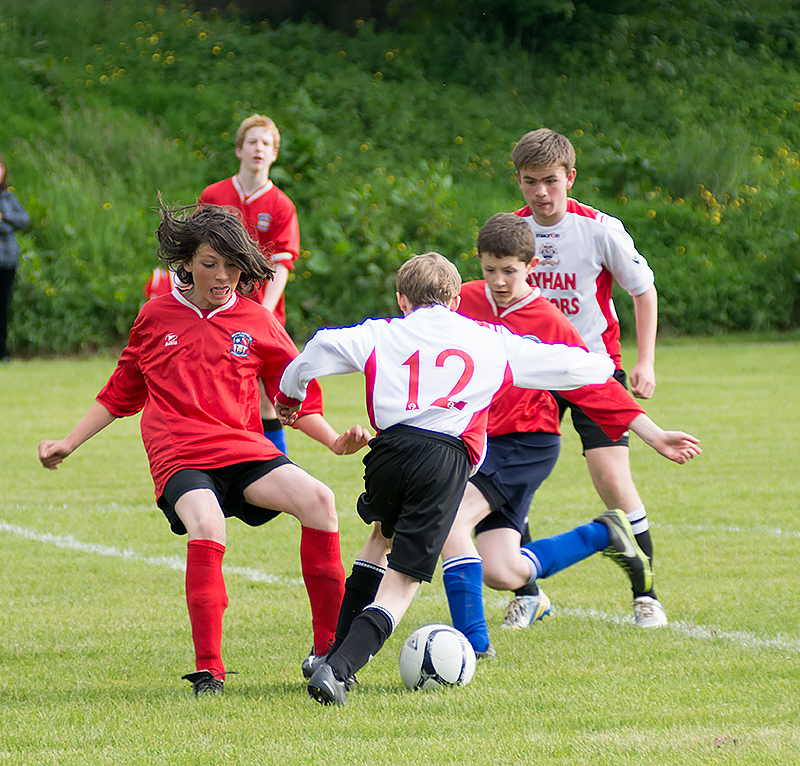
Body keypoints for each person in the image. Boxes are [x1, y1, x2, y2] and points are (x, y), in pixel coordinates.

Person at [38, 200, 369, 697]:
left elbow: (291, 398)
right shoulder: (155, 316)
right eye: (210, 263)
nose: (222, 275)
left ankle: (328, 653)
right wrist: (68, 442)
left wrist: (334, 442)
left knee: (320, 499)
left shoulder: (257, 320)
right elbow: (120, 393)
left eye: (233, 265)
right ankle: (209, 671)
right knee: (208, 523)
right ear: (187, 261)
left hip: (243, 448)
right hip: (181, 454)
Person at [275, 251, 622, 706]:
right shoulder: (491, 339)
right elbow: (568, 366)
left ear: (402, 299)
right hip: (445, 458)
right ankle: (338, 672)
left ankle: (329, 655)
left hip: (388, 453)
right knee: (403, 580)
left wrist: (289, 396)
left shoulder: (381, 332)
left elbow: (319, 345)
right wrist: (605, 367)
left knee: (380, 538)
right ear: (457, 300)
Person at [441, 213, 701, 656]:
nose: (499, 281)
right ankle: (605, 535)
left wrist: (652, 433)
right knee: (501, 570)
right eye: (490, 270)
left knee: (448, 520)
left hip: (525, 442)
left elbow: (594, 384)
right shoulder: (463, 301)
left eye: (510, 270)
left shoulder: (550, 322)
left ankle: (473, 646)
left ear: (530, 266)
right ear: (479, 264)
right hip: (478, 442)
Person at [512, 128, 668, 627]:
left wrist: (644, 362)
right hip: (529, 373)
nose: (541, 192)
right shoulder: (511, 232)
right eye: (530, 182)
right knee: (508, 481)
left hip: (594, 367)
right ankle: (527, 592)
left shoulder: (601, 229)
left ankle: (647, 594)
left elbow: (643, 290)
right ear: (518, 181)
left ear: (570, 178)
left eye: (550, 181)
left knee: (612, 479)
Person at [199, 114, 299, 453]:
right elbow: (196, 254)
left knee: (265, 397)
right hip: (216, 309)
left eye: (266, 144)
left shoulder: (282, 205)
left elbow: (281, 263)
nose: (259, 148)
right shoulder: (214, 195)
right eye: (253, 141)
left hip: (261, 312)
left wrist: (265, 313)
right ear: (240, 150)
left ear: (274, 154)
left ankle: (277, 465)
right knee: (214, 388)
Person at [0, 152, 30, 362]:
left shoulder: (9, 198)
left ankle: (2, 352)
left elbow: (24, 220)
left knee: (3, 306)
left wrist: (5, 218)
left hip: (7, 261)